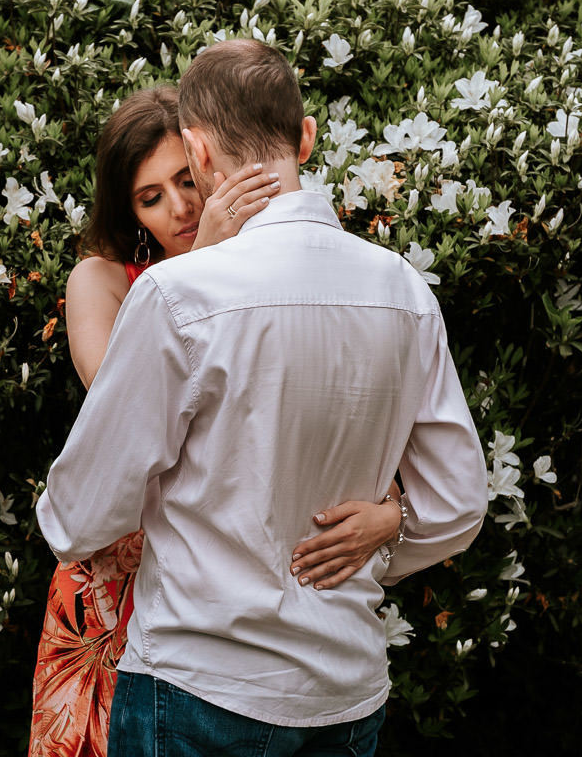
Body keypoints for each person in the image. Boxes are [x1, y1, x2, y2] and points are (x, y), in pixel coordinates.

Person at [36, 40, 488, 757]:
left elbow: (80, 513)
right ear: (305, 137)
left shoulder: (179, 295)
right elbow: (459, 502)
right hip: (344, 688)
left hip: (201, 683)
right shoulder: (403, 289)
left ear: (198, 151)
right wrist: (387, 538)